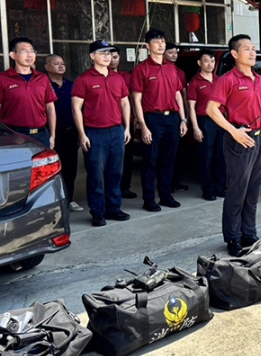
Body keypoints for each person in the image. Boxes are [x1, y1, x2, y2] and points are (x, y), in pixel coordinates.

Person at [207, 34, 261, 256]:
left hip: (259, 139)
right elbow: (211, 109)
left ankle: (249, 233)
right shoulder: (228, 79)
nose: (253, 52)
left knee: (254, 190)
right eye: (247, 49)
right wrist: (232, 131)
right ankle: (233, 237)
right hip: (239, 140)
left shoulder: (260, 80)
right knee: (237, 191)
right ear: (235, 54)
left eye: (254, 49)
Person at [71, 40, 131, 227]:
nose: (107, 57)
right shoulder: (84, 80)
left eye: (109, 53)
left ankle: (114, 208)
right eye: (102, 53)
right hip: (95, 133)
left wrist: (127, 127)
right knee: (96, 175)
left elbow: (125, 103)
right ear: (92, 56)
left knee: (115, 173)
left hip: (116, 131)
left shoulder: (117, 78)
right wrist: (82, 134)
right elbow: (76, 108)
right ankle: (97, 212)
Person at [130, 29, 188, 212]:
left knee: (169, 159)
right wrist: (143, 125)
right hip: (152, 119)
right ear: (148, 46)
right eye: (156, 41)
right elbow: (136, 99)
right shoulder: (141, 69)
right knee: (150, 161)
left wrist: (183, 119)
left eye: (162, 41)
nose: (161, 44)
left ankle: (165, 195)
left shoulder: (172, 68)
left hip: (172, 118)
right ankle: (149, 199)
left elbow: (178, 95)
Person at [0, 37, 56, 150]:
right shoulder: (1, 79)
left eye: (32, 51)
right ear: (13, 55)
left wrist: (52, 135)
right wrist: (0, 134)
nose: (30, 55)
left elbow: (50, 107)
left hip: (41, 134)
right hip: (15, 134)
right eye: (24, 51)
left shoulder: (42, 78)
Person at [44, 53, 83, 213]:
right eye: (56, 63)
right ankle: (52, 202)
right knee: (51, 170)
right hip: (52, 133)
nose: (61, 66)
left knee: (70, 168)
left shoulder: (71, 85)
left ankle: (69, 199)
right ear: (47, 67)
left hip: (70, 132)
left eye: (62, 63)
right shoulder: (44, 85)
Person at [187, 49, 227, 201]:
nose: (210, 64)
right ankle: (207, 189)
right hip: (204, 122)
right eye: (206, 61)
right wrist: (195, 127)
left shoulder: (219, 80)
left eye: (212, 61)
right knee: (206, 157)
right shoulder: (195, 82)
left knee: (220, 156)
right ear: (199, 63)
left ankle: (219, 186)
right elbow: (191, 107)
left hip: (220, 121)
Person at [111, 49, 137, 199]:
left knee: (127, 158)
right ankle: (112, 191)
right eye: (110, 57)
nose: (113, 60)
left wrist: (137, 119)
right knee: (111, 162)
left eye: (115, 56)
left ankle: (125, 187)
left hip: (127, 123)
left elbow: (132, 98)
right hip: (109, 124)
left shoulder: (126, 76)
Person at [164, 41, 189, 192]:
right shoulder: (161, 70)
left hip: (178, 115)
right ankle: (167, 185)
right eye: (170, 53)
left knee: (179, 151)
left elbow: (183, 94)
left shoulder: (180, 72)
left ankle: (176, 180)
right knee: (165, 154)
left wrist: (185, 117)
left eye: (175, 53)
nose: (174, 55)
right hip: (161, 115)